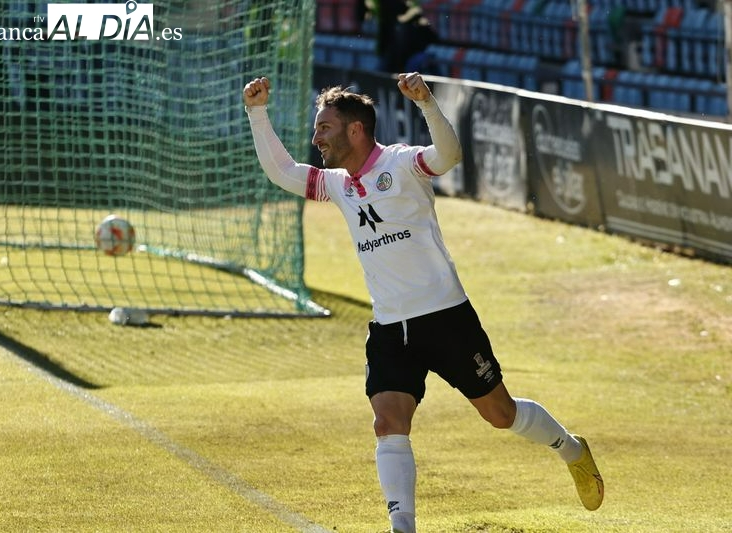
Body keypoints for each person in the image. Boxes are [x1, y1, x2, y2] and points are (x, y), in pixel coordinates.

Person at [242, 73, 604, 533]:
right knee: (387, 422)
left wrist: (427, 104)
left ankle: (572, 450)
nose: (316, 138)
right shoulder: (338, 184)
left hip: (446, 318)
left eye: (324, 128)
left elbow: (448, 155)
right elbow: (284, 172)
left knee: (501, 414)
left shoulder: (402, 163)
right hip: (390, 328)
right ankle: (403, 526)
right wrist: (257, 113)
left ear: (356, 130)